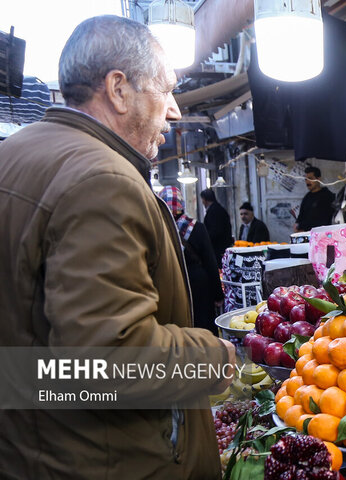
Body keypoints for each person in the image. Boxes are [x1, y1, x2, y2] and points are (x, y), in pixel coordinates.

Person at [0, 16, 234, 478]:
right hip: (103, 459)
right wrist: (217, 358)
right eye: (165, 90)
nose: (174, 111)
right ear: (118, 89)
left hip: (31, 444)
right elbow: (107, 362)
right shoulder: (101, 180)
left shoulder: (16, 154)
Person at [160, 186, 224, 332]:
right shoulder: (197, 227)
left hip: (172, 285)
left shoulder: (160, 231)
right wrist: (217, 294)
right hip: (198, 285)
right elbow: (210, 262)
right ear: (181, 204)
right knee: (203, 326)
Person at [294, 166, 336, 232]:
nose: (307, 182)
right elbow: (301, 215)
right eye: (306, 179)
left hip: (321, 234)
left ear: (318, 179)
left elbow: (325, 218)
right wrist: (297, 225)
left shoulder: (327, 196)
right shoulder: (307, 197)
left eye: (310, 179)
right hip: (305, 234)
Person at [200, 188, 233, 266]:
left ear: (204, 200)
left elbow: (215, 232)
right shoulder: (219, 209)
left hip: (218, 250)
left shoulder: (213, 211)